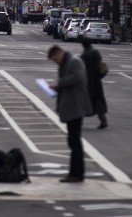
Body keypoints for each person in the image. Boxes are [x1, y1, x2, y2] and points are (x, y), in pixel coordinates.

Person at [47, 44, 92, 182]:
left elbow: (77, 78)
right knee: (73, 140)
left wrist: (59, 84)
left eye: (55, 59)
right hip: (71, 106)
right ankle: (75, 172)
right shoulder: (68, 62)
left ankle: (77, 173)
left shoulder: (74, 61)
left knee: (75, 141)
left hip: (76, 106)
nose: (56, 62)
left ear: (59, 53)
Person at [80, 38, 108, 129]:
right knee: (98, 100)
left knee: (83, 101)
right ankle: (102, 119)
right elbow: (99, 66)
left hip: (87, 81)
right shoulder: (95, 52)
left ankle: (78, 121)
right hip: (96, 80)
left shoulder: (84, 55)